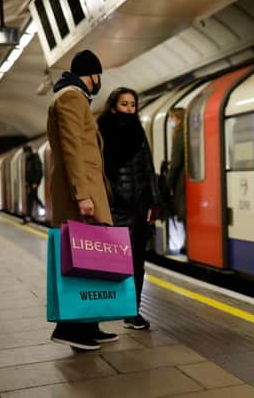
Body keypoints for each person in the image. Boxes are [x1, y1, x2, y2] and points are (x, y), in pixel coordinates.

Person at [47, 49, 118, 350]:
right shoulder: (72, 98)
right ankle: (70, 329)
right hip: (82, 195)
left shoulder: (73, 98)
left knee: (90, 261)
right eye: (98, 75)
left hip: (85, 191)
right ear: (92, 74)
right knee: (80, 261)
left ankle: (89, 326)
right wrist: (83, 195)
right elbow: (72, 148)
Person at [97, 87, 160, 330]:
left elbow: (147, 167)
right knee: (114, 263)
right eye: (124, 104)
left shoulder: (138, 131)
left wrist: (152, 203)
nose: (129, 109)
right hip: (115, 207)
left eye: (132, 104)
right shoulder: (103, 130)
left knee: (137, 263)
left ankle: (132, 311)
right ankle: (105, 309)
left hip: (138, 206)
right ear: (114, 106)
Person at [166, 107, 186, 253]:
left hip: (182, 180)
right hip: (186, 178)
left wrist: (168, 183)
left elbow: (176, 162)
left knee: (183, 211)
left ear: (177, 118)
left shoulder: (180, 134)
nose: (170, 121)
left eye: (171, 118)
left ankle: (187, 245)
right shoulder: (189, 132)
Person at [23, 145, 43, 223]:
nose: (25, 154)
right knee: (32, 198)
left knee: (32, 198)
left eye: (25, 152)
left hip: (34, 183)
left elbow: (39, 171)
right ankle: (29, 215)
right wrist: (27, 181)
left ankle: (30, 215)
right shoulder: (29, 159)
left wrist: (36, 182)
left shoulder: (35, 158)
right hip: (30, 183)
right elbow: (28, 172)